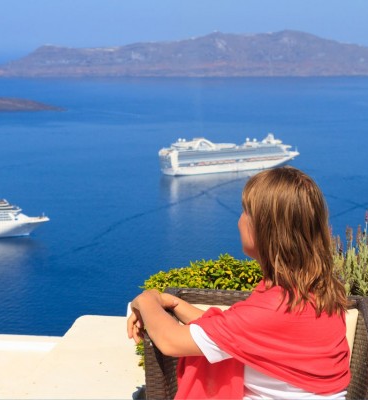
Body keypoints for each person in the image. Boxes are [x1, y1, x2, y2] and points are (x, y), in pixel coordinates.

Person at [127, 166, 351, 399]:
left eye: (246, 211)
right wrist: (172, 303)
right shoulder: (316, 290)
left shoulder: (273, 308)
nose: (239, 220)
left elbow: (170, 341)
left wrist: (146, 298)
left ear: (265, 230)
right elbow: (231, 331)